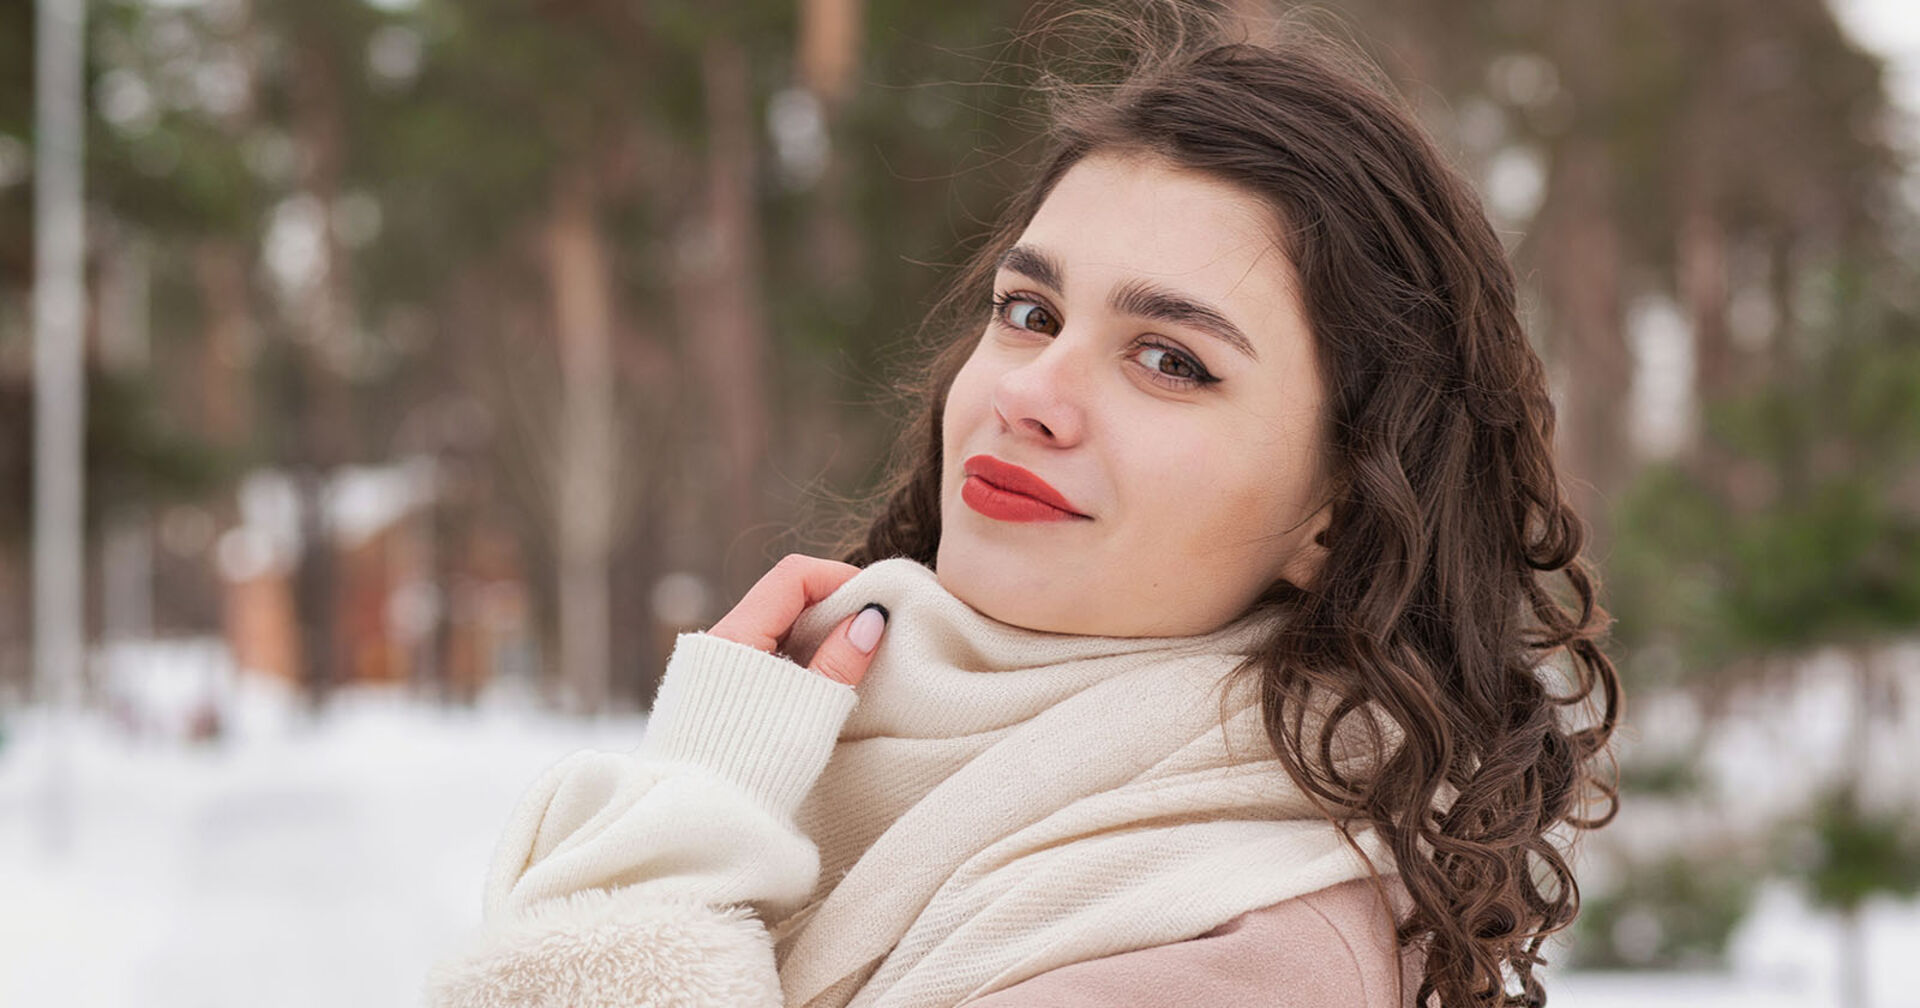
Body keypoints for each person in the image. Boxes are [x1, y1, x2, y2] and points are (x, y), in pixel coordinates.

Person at [426, 8, 1620, 1007]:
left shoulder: (1237, 955)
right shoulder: (810, 758)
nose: (1030, 394)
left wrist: (665, 853)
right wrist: (710, 801)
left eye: (1171, 361)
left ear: (1341, 513)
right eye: (1030, 314)